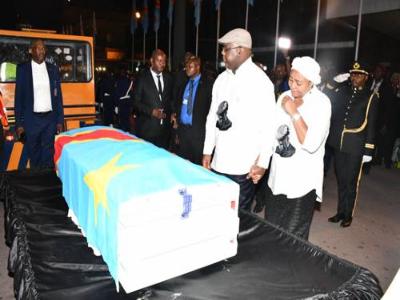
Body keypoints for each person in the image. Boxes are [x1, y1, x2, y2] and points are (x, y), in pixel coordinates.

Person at [202, 28, 276, 212]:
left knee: (238, 222)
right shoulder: (221, 79)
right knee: (216, 214)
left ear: (241, 50)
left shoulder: (261, 82)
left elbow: (269, 126)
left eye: (226, 48)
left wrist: (263, 163)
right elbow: (212, 116)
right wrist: (207, 151)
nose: (222, 52)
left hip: (244, 168)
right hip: (218, 163)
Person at [265, 56, 331, 240]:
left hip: (302, 184)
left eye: (299, 82)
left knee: (294, 240)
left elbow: (310, 144)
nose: (293, 86)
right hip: (277, 179)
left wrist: (294, 112)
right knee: (272, 231)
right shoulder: (284, 97)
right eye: (291, 80)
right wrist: (262, 161)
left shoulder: (322, 103)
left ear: (311, 82)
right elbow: (272, 132)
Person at [327, 62, 379, 227]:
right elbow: (326, 95)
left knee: (351, 182)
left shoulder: (371, 96)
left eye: (358, 74)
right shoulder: (343, 91)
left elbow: (371, 123)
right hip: (339, 143)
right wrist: (334, 81)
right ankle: (340, 211)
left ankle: (348, 214)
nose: (354, 77)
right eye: (353, 74)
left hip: (356, 145)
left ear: (365, 77)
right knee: (341, 179)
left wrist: (368, 150)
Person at [14, 39, 64, 169]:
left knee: (48, 153)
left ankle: (47, 182)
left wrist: (59, 120)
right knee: (34, 153)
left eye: (43, 48)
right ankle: (37, 182)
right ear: (31, 51)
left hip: (49, 119)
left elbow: (58, 97)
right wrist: (19, 124)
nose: (42, 51)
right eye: (38, 48)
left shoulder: (53, 69)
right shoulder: (22, 70)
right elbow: (18, 98)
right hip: (32, 120)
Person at [171, 56, 213, 165]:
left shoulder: (208, 84)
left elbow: (211, 110)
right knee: (183, 164)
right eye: (186, 66)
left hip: (198, 134)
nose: (187, 69)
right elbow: (178, 104)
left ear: (198, 67)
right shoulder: (183, 83)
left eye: (190, 66)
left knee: (197, 165)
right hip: (183, 132)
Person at [133, 49, 173, 149]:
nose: (162, 64)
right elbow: (135, 102)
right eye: (159, 60)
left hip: (164, 131)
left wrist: (173, 113)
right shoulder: (142, 78)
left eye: (164, 61)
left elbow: (170, 99)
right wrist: (151, 112)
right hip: (147, 130)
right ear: (151, 61)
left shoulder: (169, 78)